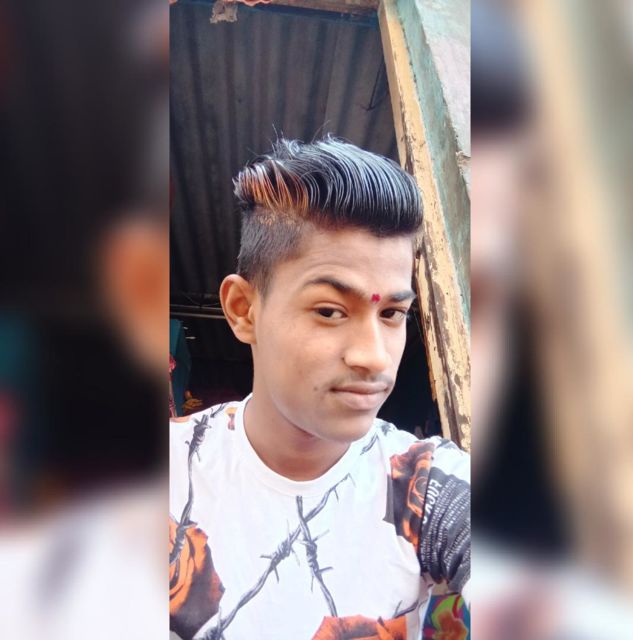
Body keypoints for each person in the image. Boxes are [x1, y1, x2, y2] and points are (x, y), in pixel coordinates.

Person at [169, 138, 470, 640]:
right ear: (244, 310)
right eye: (330, 311)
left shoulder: (425, 489)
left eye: (392, 313)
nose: (374, 356)